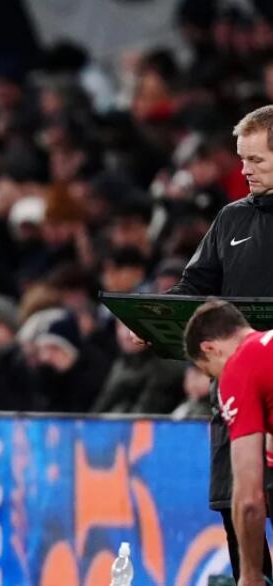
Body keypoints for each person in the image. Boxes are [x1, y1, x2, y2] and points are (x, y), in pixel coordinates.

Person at [135, 104, 273, 582]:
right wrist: (153, 319)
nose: (244, 170)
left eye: (256, 160)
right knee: (236, 504)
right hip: (234, 389)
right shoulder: (232, 220)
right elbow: (193, 288)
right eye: (241, 158)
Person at [183, 299, 273, 586]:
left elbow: (248, 499)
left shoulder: (239, 366)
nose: (218, 382)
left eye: (212, 374)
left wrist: (249, 574)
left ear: (210, 348)